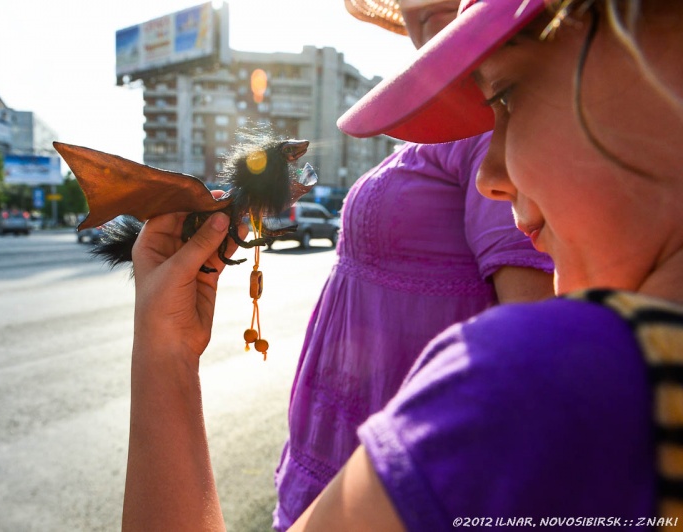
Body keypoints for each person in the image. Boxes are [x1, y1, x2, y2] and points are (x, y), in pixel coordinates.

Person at [122, 0, 683, 529]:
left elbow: (540, 359)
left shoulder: (533, 380)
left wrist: (165, 350)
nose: (492, 176)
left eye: (508, 94)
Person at [272, 1, 554, 528]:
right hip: (342, 458)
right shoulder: (437, 133)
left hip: (396, 481)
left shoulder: (489, 130)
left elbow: (532, 341)